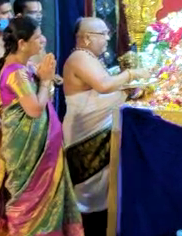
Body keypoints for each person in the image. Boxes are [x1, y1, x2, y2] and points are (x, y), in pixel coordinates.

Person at [62, 17, 150, 235]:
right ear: (88, 38)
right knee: (87, 192)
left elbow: (107, 90)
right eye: (103, 34)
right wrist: (131, 74)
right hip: (86, 136)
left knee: (103, 193)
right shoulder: (79, 57)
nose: (108, 38)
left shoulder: (91, 58)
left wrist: (128, 91)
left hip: (101, 130)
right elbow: (103, 86)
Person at [0, 16, 83, 235]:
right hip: (27, 155)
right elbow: (34, 110)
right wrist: (45, 81)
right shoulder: (15, 72)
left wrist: (42, 77)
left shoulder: (23, 67)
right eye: (37, 38)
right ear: (22, 43)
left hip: (41, 152)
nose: (43, 41)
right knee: (28, 204)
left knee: (43, 203)